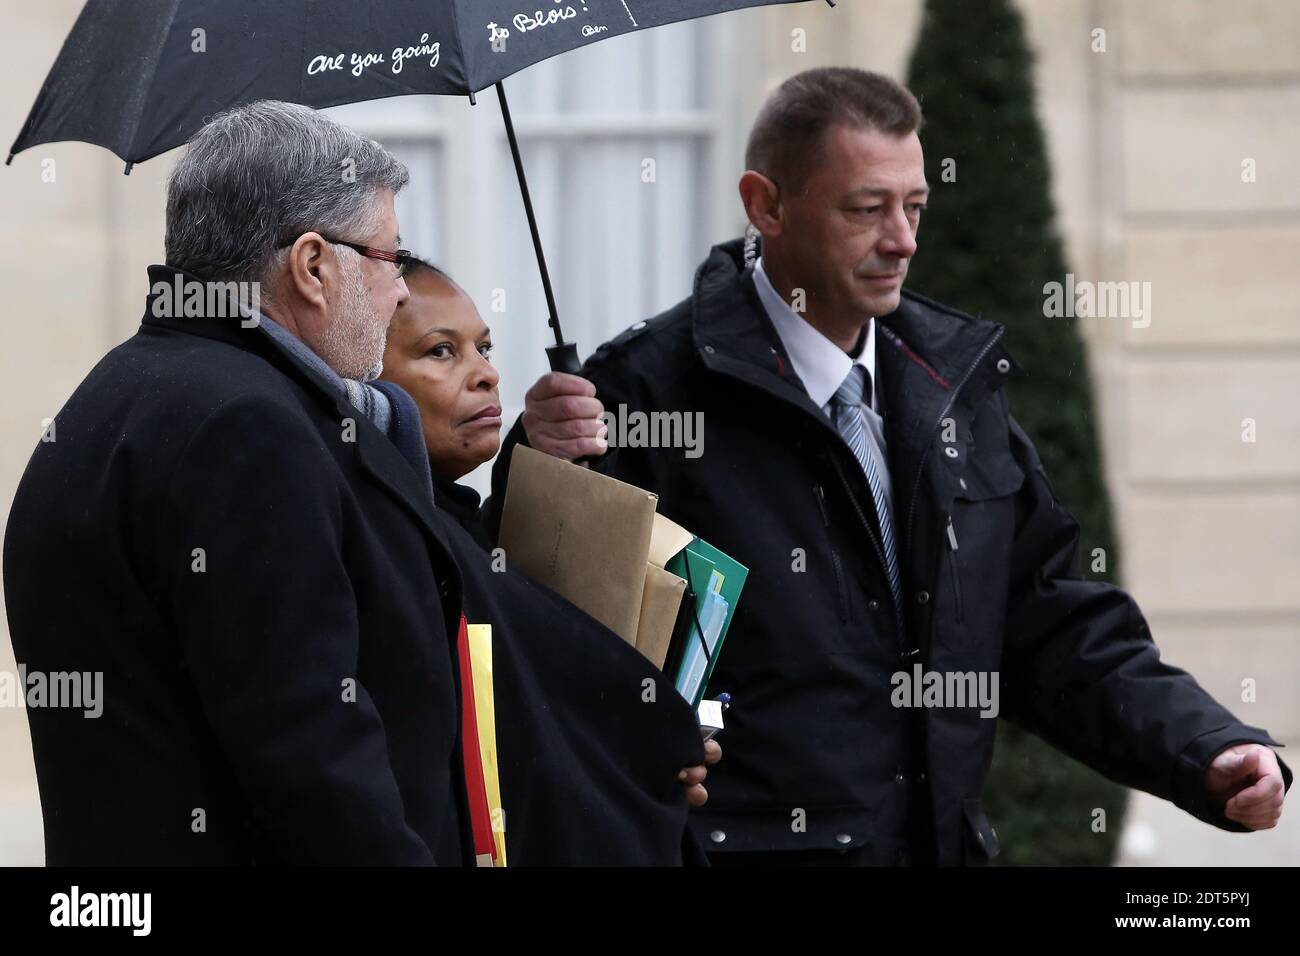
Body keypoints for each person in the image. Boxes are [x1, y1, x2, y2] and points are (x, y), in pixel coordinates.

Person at [489, 67, 1292, 865]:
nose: (903, 239)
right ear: (765, 205)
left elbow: (1048, 620)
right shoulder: (642, 390)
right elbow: (546, 634)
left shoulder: (955, 385)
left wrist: (1204, 749)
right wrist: (539, 458)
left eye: (914, 207)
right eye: (866, 209)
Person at [3, 100, 472, 864]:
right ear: (314, 265)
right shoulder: (246, 431)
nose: (402, 294)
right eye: (391, 258)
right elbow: (312, 758)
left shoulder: (122, 389)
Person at [359, 258, 718, 863]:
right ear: (360, 378)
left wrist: (536, 459)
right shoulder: (390, 540)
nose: (486, 376)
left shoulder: (457, 519)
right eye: (441, 352)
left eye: (485, 348)